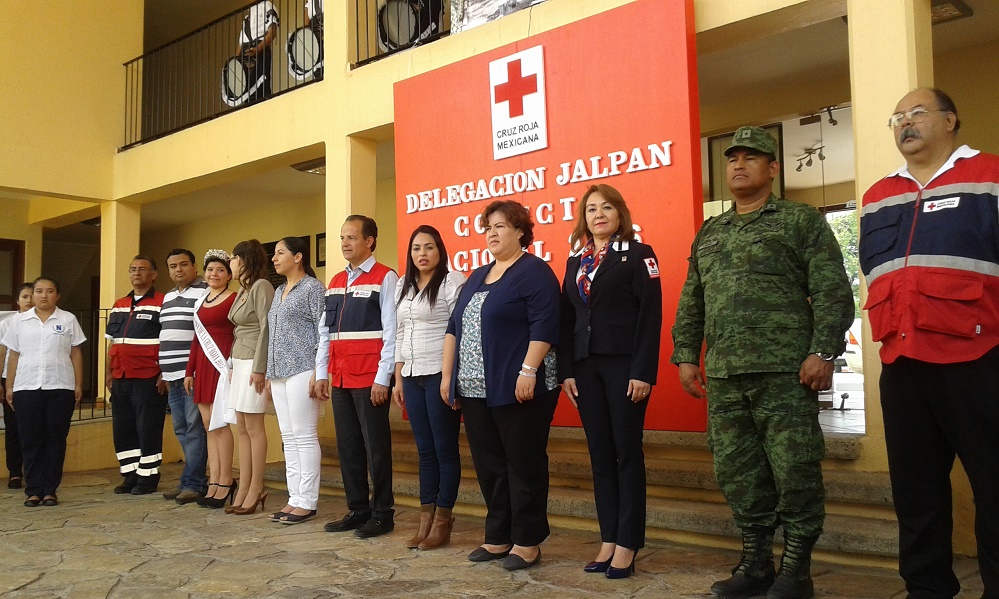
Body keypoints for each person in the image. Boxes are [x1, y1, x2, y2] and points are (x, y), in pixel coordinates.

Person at [671, 126, 853, 599]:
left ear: (772, 169)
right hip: (727, 375)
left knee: (794, 471)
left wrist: (823, 351)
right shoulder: (711, 232)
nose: (738, 165)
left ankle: (797, 570)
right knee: (738, 473)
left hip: (787, 373)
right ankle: (755, 563)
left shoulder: (799, 221)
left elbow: (833, 288)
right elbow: (693, 299)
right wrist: (687, 355)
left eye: (751, 158)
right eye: (732, 158)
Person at [859, 88, 999, 599]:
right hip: (901, 363)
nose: (905, 123)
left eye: (917, 113)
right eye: (896, 117)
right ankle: (926, 590)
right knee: (915, 496)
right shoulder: (878, 194)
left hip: (979, 360)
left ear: (951, 119)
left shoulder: (989, 176)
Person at [441, 200, 561, 571]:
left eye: (500, 227)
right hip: (476, 388)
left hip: (517, 387)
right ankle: (498, 536)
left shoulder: (534, 271)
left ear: (521, 231)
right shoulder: (478, 274)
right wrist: (449, 377)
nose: (492, 234)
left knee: (522, 463)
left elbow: (546, 323)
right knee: (490, 465)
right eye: (487, 228)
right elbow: (454, 327)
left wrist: (528, 370)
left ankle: (527, 541)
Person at [558, 184, 662, 579]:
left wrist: (642, 372)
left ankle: (628, 542)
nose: (598, 215)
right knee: (599, 455)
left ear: (620, 212)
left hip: (624, 368)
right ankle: (608, 537)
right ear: (583, 219)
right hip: (585, 368)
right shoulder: (575, 261)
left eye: (606, 207)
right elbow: (567, 319)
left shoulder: (638, 255)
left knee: (626, 453)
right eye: (590, 210)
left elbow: (650, 316)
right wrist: (566, 369)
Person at [313, 215, 399, 539]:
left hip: (369, 378)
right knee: (349, 447)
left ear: (370, 241)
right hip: (341, 377)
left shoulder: (385, 277)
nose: (345, 243)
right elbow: (325, 334)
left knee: (376, 448)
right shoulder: (335, 281)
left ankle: (382, 514)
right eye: (342, 238)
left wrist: (383, 377)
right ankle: (358, 510)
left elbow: (391, 332)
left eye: (351, 237)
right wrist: (322, 372)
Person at [392, 225, 465, 549]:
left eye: (429, 247)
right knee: (424, 452)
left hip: (439, 373)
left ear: (440, 251)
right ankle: (424, 521)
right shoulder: (402, 286)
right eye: (416, 248)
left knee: (444, 450)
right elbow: (397, 333)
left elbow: (458, 331)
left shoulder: (452, 282)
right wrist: (397, 377)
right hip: (410, 375)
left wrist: (450, 379)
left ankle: (443, 521)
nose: (422, 254)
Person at [3, 277, 86, 507]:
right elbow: (14, 355)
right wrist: (9, 386)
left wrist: (79, 384)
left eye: (49, 291)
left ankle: (50, 489)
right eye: (39, 291)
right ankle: (33, 490)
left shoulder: (68, 319)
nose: (43, 295)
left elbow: (76, 352)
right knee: (30, 439)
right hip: (27, 387)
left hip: (60, 386)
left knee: (55, 438)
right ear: (33, 294)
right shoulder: (19, 322)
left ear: (57, 295)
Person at [265, 237, 325, 523]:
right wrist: (268, 372)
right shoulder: (279, 291)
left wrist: (319, 370)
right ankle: (294, 497)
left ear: (298, 256)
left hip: (304, 369)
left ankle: (308, 500)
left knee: (304, 435)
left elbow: (323, 330)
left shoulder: (313, 288)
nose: (274, 258)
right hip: (278, 372)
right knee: (288, 438)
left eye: (280, 253)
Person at [106, 255, 167, 495]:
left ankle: (148, 477)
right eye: (132, 269)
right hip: (120, 375)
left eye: (142, 269)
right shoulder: (119, 303)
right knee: (123, 428)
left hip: (148, 376)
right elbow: (110, 342)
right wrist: (108, 372)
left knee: (148, 427)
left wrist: (164, 373)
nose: (136, 273)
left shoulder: (163, 301)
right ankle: (130, 475)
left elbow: (168, 341)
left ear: (153, 275)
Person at [184, 250, 238, 510]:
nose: (214, 274)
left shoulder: (235, 299)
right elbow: (197, 339)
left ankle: (226, 480)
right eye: (210, 270)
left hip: (223, 364)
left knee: (221, 423)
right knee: (208, 425)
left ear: (229, 275)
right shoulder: (201, 301)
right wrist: (188, 371)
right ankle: (213, 480)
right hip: (203, 366)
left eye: (220, 270)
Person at [159, 249, 209, 504]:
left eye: (183, 265)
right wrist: (163, 373)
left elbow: (203, 335)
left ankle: (195, 483)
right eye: (172, 266)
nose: (178, 270)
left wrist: (194, 370)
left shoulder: (203, 293)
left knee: (194, 427)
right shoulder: (167, 297)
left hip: (192, 374)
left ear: (194, 267)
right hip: (171, 374)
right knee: (180, 428)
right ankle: (188, 479)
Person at [227, 239, 274, 512]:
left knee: (254, 428)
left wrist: (260, 367)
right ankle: (244, 486)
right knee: (242, 427)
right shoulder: (242, 290)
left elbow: (267, 326)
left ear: (244, 259)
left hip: (254, 362)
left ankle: (257, 487)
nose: (230, 263)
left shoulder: (261, 286)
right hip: (240, 360)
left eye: (233, 258)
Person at [0, 282, 33, 490]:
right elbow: (3, 352)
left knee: (33, 428)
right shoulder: (8, 323)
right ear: (17, 301)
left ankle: (33, 471)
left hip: (32, 380)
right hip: (9, 378)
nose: (29, 300)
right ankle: (14, 472)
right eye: (25, 297)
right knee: (13, 428)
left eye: (32, 296)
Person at [239, 1, 280, 104]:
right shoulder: (247, 18)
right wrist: (235, 63)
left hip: (259, 49)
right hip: (246, 53)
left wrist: (258, 49)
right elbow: (241, 44)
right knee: (246, 90)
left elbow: (272, 32)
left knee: (260, 87)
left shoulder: (267, 5)